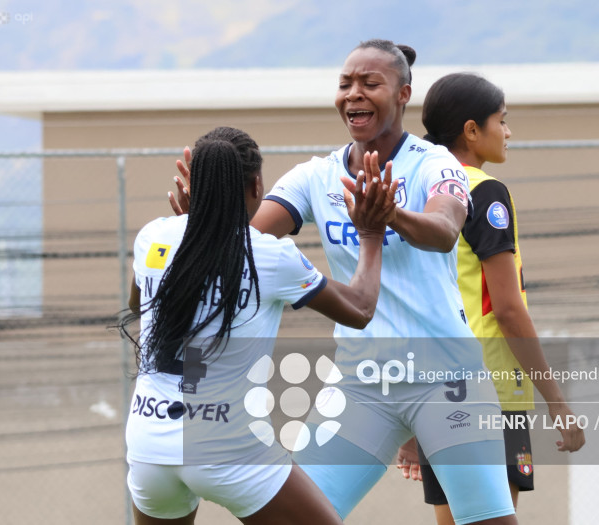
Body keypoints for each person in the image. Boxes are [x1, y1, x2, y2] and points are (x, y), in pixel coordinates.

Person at [171, 41, 520, 524]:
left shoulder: (434, 163)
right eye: (345, 84)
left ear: (403, 94)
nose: (353, 94)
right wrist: (204, 222)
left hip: (448, 381)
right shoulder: (316, 176)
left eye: (370, 84)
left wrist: (388, 214)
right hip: (360, 386)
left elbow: (444, 232)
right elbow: (245, 241)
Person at [122, 125, 398, 524]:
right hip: (227, 445)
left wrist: (192, 243)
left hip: (149, 442)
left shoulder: (153, 237)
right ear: (257, 185)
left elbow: (139, 304)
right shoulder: (269, 255)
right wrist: (371, 233)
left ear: (193, 186)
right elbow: (359, 309)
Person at [395, 73, 586, 524]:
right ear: (472, 130)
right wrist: (556, 402)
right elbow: (507, 309)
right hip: (491, 389)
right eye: (502, 120)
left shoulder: (418, 188)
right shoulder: (484, 191)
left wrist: (408, 418)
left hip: (433, 387)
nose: (509, 131)